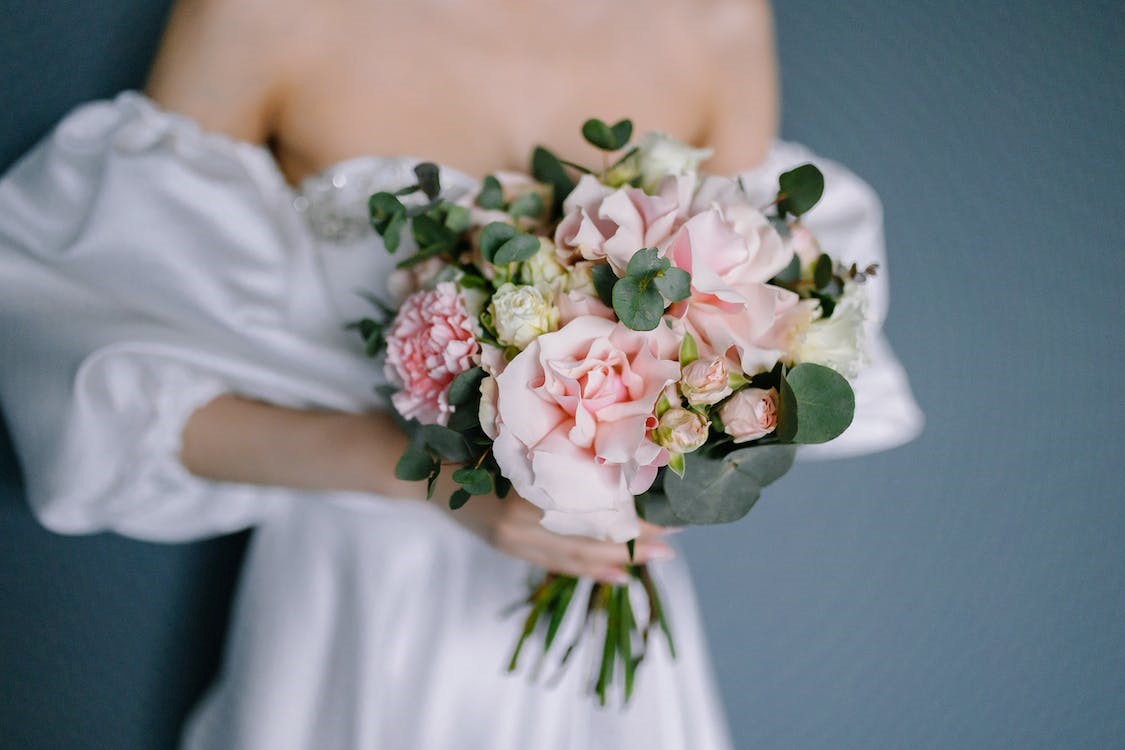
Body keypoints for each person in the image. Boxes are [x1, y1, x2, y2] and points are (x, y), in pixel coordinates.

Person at [0, 0, 923, 747]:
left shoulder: (714, 19)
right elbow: (96, 374)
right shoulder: (259, 15)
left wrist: (666, 420)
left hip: (601, 583)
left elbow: (753, 301)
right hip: (357, 595)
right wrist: (438, 480)